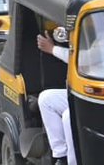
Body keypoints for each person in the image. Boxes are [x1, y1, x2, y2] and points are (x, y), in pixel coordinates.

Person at [37, 30, 77, 165]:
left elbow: (81, 59)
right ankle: (61, 156)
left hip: (99, 97)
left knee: (67, 116)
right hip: (79, 92)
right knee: (46, 99)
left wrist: (53, 49)